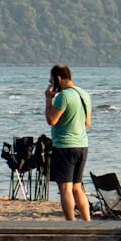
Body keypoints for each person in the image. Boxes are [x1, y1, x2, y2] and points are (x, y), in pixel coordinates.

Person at [44, 65, 92, 221]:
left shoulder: (63, 96)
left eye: (51, 80)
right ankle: (86, 221)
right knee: (77, 188)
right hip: (82, 145)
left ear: (58, 79)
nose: (51, 84)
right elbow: (87, 123)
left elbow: (51, 120)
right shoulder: (84, 94)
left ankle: (70, 223)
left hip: (64, 146)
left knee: (65, 188)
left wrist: (48, 99)